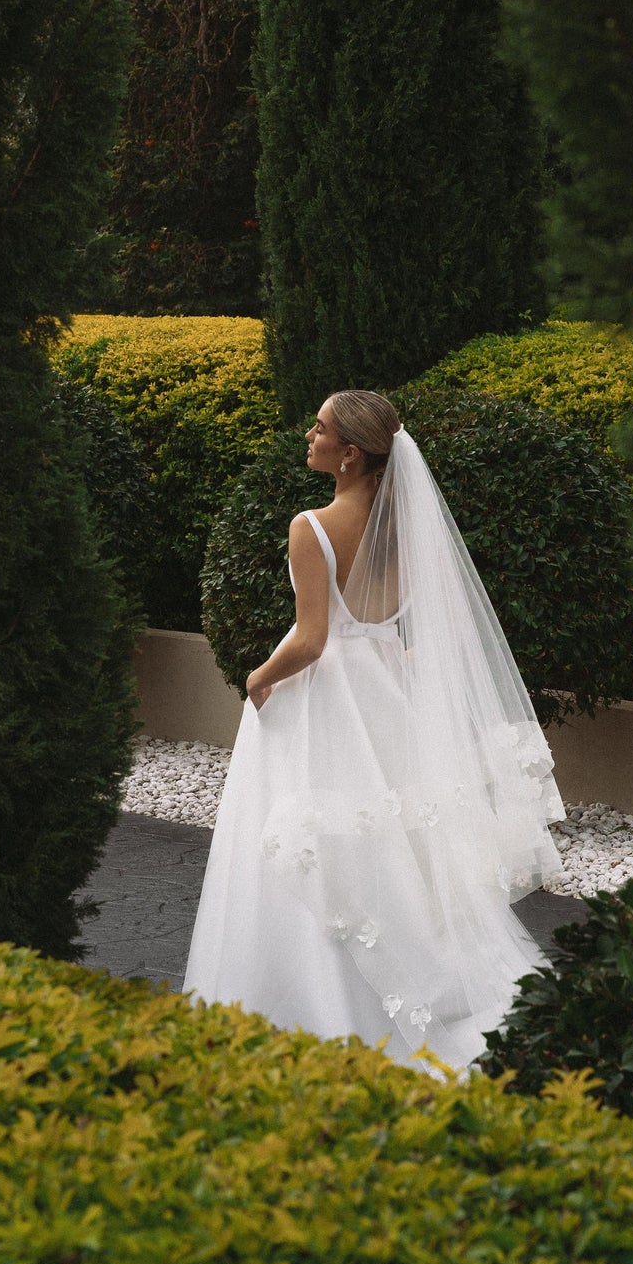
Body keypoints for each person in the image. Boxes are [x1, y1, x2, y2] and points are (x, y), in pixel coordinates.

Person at [183, 390, 566, 1072]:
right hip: (383, 689)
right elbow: (401, 623)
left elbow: (312, 638)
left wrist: (257, 676)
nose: (310, 434)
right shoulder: (404, 528)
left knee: (308, 837)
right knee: (388, 838)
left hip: (326, 696)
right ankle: (416, 975)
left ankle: (302, 998)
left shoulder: (313, 525)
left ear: (350, 454)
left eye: (321, 428)